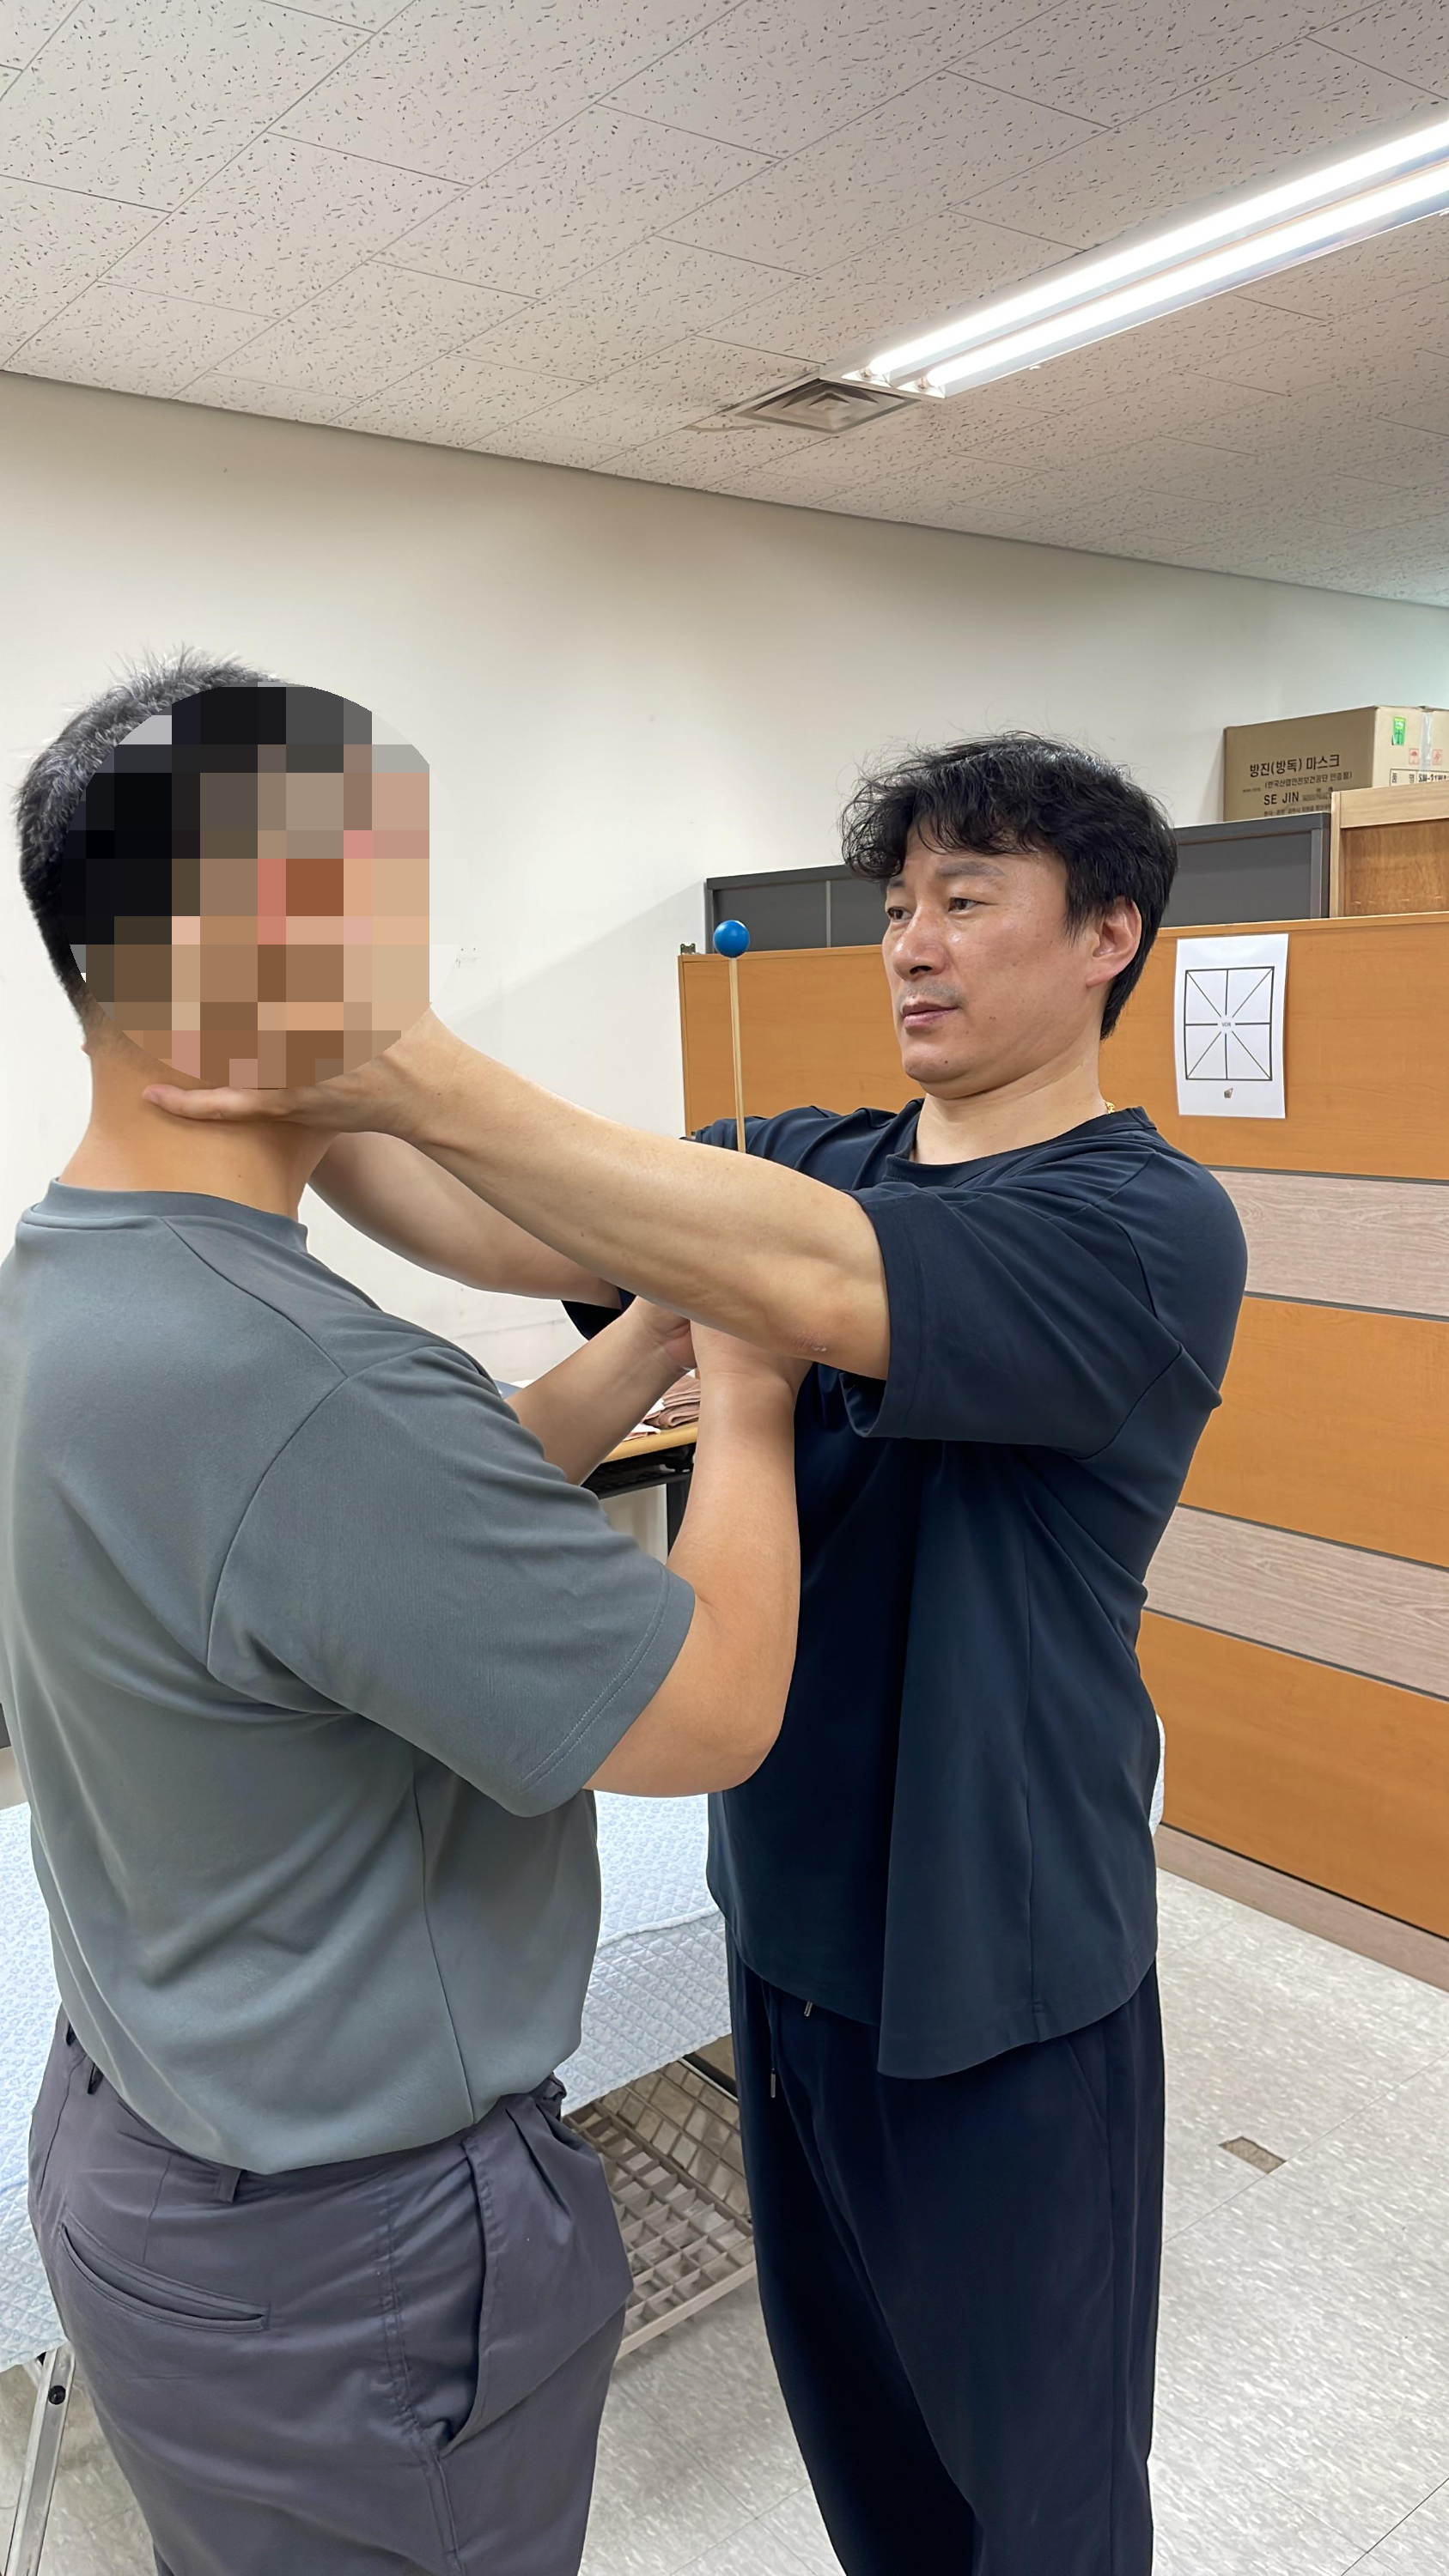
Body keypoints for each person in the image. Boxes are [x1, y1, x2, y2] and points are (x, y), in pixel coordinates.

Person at [146, 732, 1249, 2574]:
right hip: (791, 1934)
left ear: (1107, 936)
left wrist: (398, 1057)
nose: (910, 944)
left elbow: (812, 1288)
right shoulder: (812, 1157)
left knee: (1040, 2504)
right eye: (896, 907)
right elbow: (500, 1219)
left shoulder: (1143, 1228)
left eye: (965, 899)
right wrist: (297, 1078)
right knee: (872, 2467)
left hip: (1002, 1973)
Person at [1, 653, 805, 2576]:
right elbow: (708, 1713)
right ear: (271, 953)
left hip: (145, 2143)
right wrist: (757, 1391)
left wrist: (636, 1357)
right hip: (348, 2258)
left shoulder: (74, 1285)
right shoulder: (308, 1382)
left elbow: (331, 1561)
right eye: (384, 916)